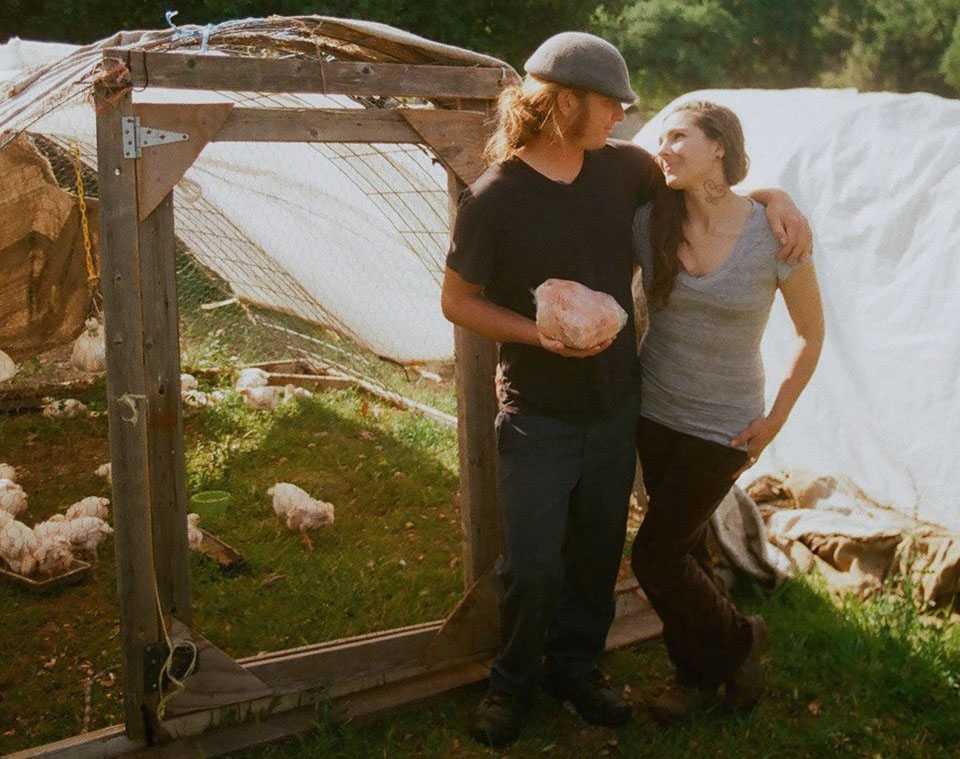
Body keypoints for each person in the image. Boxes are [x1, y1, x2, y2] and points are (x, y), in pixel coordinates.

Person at [441, 33, 811, 748]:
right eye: (611, 104)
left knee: (595, 553)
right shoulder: (494, 198)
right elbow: (457, 300)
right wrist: (532, 332)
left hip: (617, 408)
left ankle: (577, 671)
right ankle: (510, 684)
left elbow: (713, 186)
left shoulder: (626, 172)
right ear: (564, 102)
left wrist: (776, 196)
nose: (621, 117)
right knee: (534, 562)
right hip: (537, 413)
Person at [630, 100, 825, 724]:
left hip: (725, 427)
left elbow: (809, 335)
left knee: (654, 558)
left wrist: (775, 422)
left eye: (678, 136)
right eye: (662, 138)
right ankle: (696, 678)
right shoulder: (649, 221)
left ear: (719, 146)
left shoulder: (776, 234)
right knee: (687, 552)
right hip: (653, 411)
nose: (664, 148)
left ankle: (742, 637)